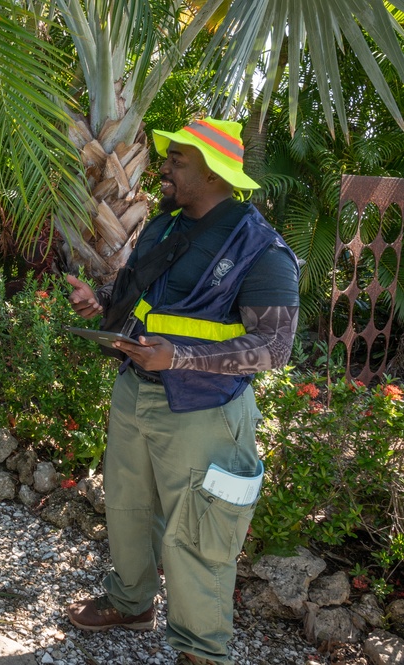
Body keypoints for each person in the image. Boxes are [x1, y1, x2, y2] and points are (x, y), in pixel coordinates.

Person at [64, 118, 300, 665]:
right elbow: (138, 301)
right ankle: (130, 601)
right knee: (126, 507)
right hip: (136, 393)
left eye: (178, 160)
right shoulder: (163, 225)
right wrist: (100, 306)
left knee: (197, 533)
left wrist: (181, 358)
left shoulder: (262, 251)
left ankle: (200, 649)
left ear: (214, 172)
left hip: (204, 411)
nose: (164, 167)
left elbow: (274, 349)